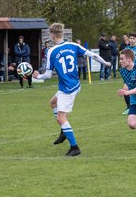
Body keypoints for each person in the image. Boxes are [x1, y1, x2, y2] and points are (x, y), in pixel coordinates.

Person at [33, 23, 111, 157]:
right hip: (75, 84)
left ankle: (74, 147)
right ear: (62, 34)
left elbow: (47, 75)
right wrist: (106, 63)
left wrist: (36, 76)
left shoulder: (51, 51)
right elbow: (92, 55)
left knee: (61, 117)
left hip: (67, 89)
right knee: (53, 103)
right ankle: (64, 132)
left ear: (52, 35)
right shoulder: (73, 45)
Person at [121, 33, 136, 115]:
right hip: (128, 72)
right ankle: (129, 107)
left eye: (133, 38)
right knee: (125, 88)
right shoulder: (126, 49)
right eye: (130, 38)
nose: (131, 40)